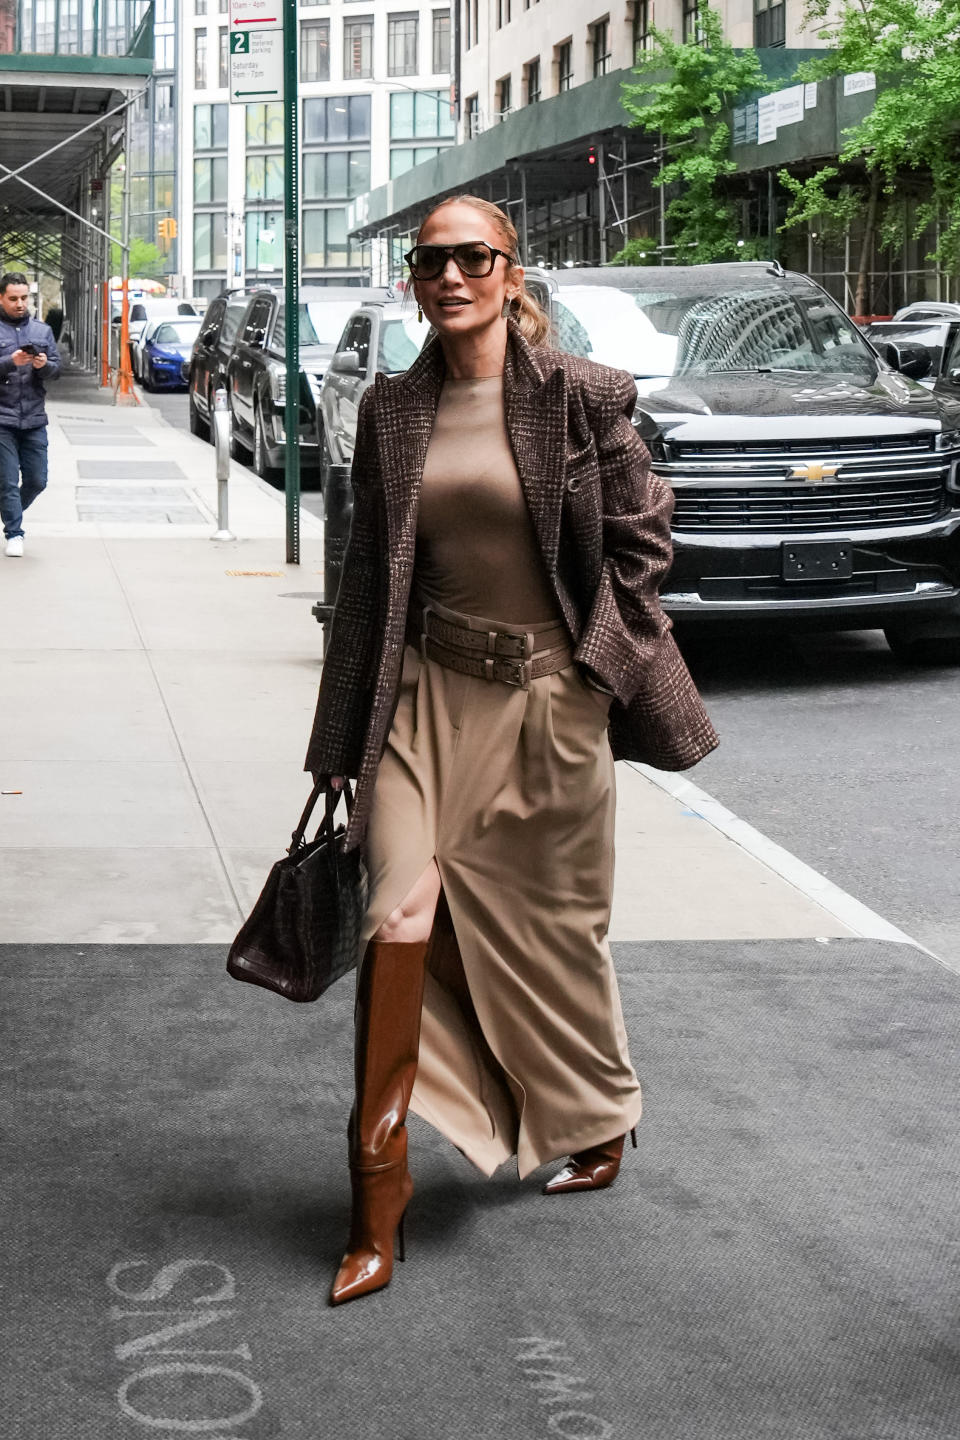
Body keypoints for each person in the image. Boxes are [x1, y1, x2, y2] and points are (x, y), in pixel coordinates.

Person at [304, 195, 718, 1307]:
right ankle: (374, 1199)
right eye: (430, 259)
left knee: (554, 944)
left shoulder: (581, 396)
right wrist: (341, 736)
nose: (450, 277)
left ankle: (598, 1115)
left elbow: (644, 536)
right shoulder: (393, 408)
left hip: (549, 706)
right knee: (398, 917)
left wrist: (598, 662)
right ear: (413, 276)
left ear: (509, 269)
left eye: (471, 257)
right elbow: (364, 585)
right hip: (425, 702)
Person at [0, 272, 61, 557]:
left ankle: (8, 509)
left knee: (38, 480)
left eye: (24, 297)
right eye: (13, 298)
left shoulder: (42, 331)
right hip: (3, 418)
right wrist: (9, 362)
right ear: (2, 298)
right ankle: (15, 533)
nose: (20, 303)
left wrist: (43, 365)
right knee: (8, 482)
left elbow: (56, 370)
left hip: (35, 418)